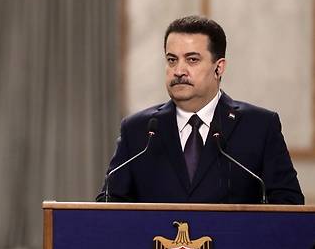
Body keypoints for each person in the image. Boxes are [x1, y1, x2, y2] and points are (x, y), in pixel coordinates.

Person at [98, 15, 303, 204]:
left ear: (219, 67)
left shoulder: (259, 127)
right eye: (172, 60)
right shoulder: (138, 130)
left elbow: (289, 207)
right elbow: (108, 206)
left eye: (192, 60)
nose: (179, 71)